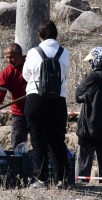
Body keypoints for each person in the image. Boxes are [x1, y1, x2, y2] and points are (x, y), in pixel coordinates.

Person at [22, 20, 71, 188]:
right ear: (56, 35)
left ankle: (40, 179)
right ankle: (62, 179)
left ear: (40, 36)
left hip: (36, 100)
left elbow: (26, 75)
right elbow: (65, 76)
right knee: (57, 141)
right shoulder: (64, 53)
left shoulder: (33, 52)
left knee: (38, 141)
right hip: (58, 100)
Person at [75, 47, 102, 183]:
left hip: (90, 128)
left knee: (83, 162)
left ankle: (82, 186)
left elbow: (78, 96)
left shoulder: (91, 78)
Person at [0, 42, 28, 150]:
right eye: (7, 58)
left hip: (35, 111)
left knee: (41, 144)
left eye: (12, 57)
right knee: (17, 145)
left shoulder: (31, 63)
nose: (9, 60)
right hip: (19, 113)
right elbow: (0, 91)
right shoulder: (7, 72)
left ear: (20, 54)